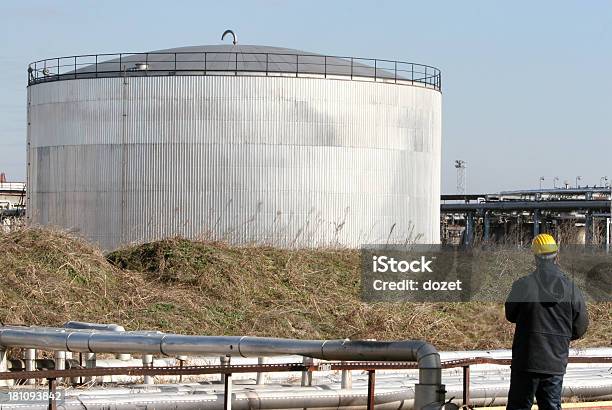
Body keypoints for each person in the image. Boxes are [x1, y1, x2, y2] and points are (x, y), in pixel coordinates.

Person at [505, 233, 589, 410]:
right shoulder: (571, 289)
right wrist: (560, 338)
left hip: (526, 361)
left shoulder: (523, 285)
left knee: (518, 407)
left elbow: (510, 315)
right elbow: (580, 326)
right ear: (556, 255)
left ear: (535, 257)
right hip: (554, 363)